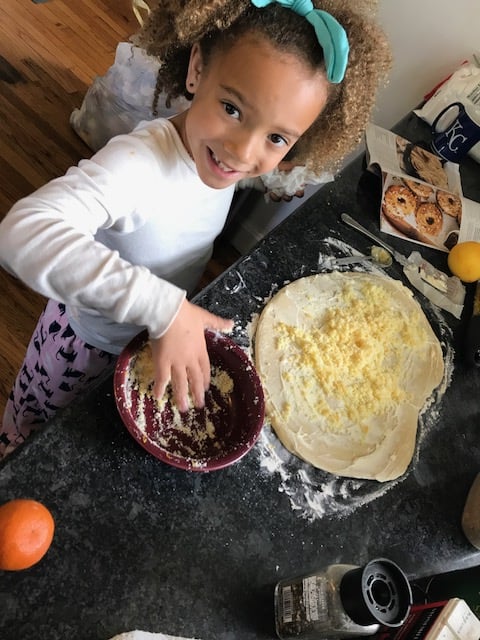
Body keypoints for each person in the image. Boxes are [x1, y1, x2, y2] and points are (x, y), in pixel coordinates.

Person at [0, 0, 391, 458]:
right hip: (83, 349)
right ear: (197, 68)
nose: (244, 153)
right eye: (232, 108)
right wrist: (164, 308)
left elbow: (240, 168)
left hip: (146, 341)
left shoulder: (219, 157)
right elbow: (21, 232)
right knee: (32, 444)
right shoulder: (140, 165)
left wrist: (279, 172)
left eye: (277, 138)